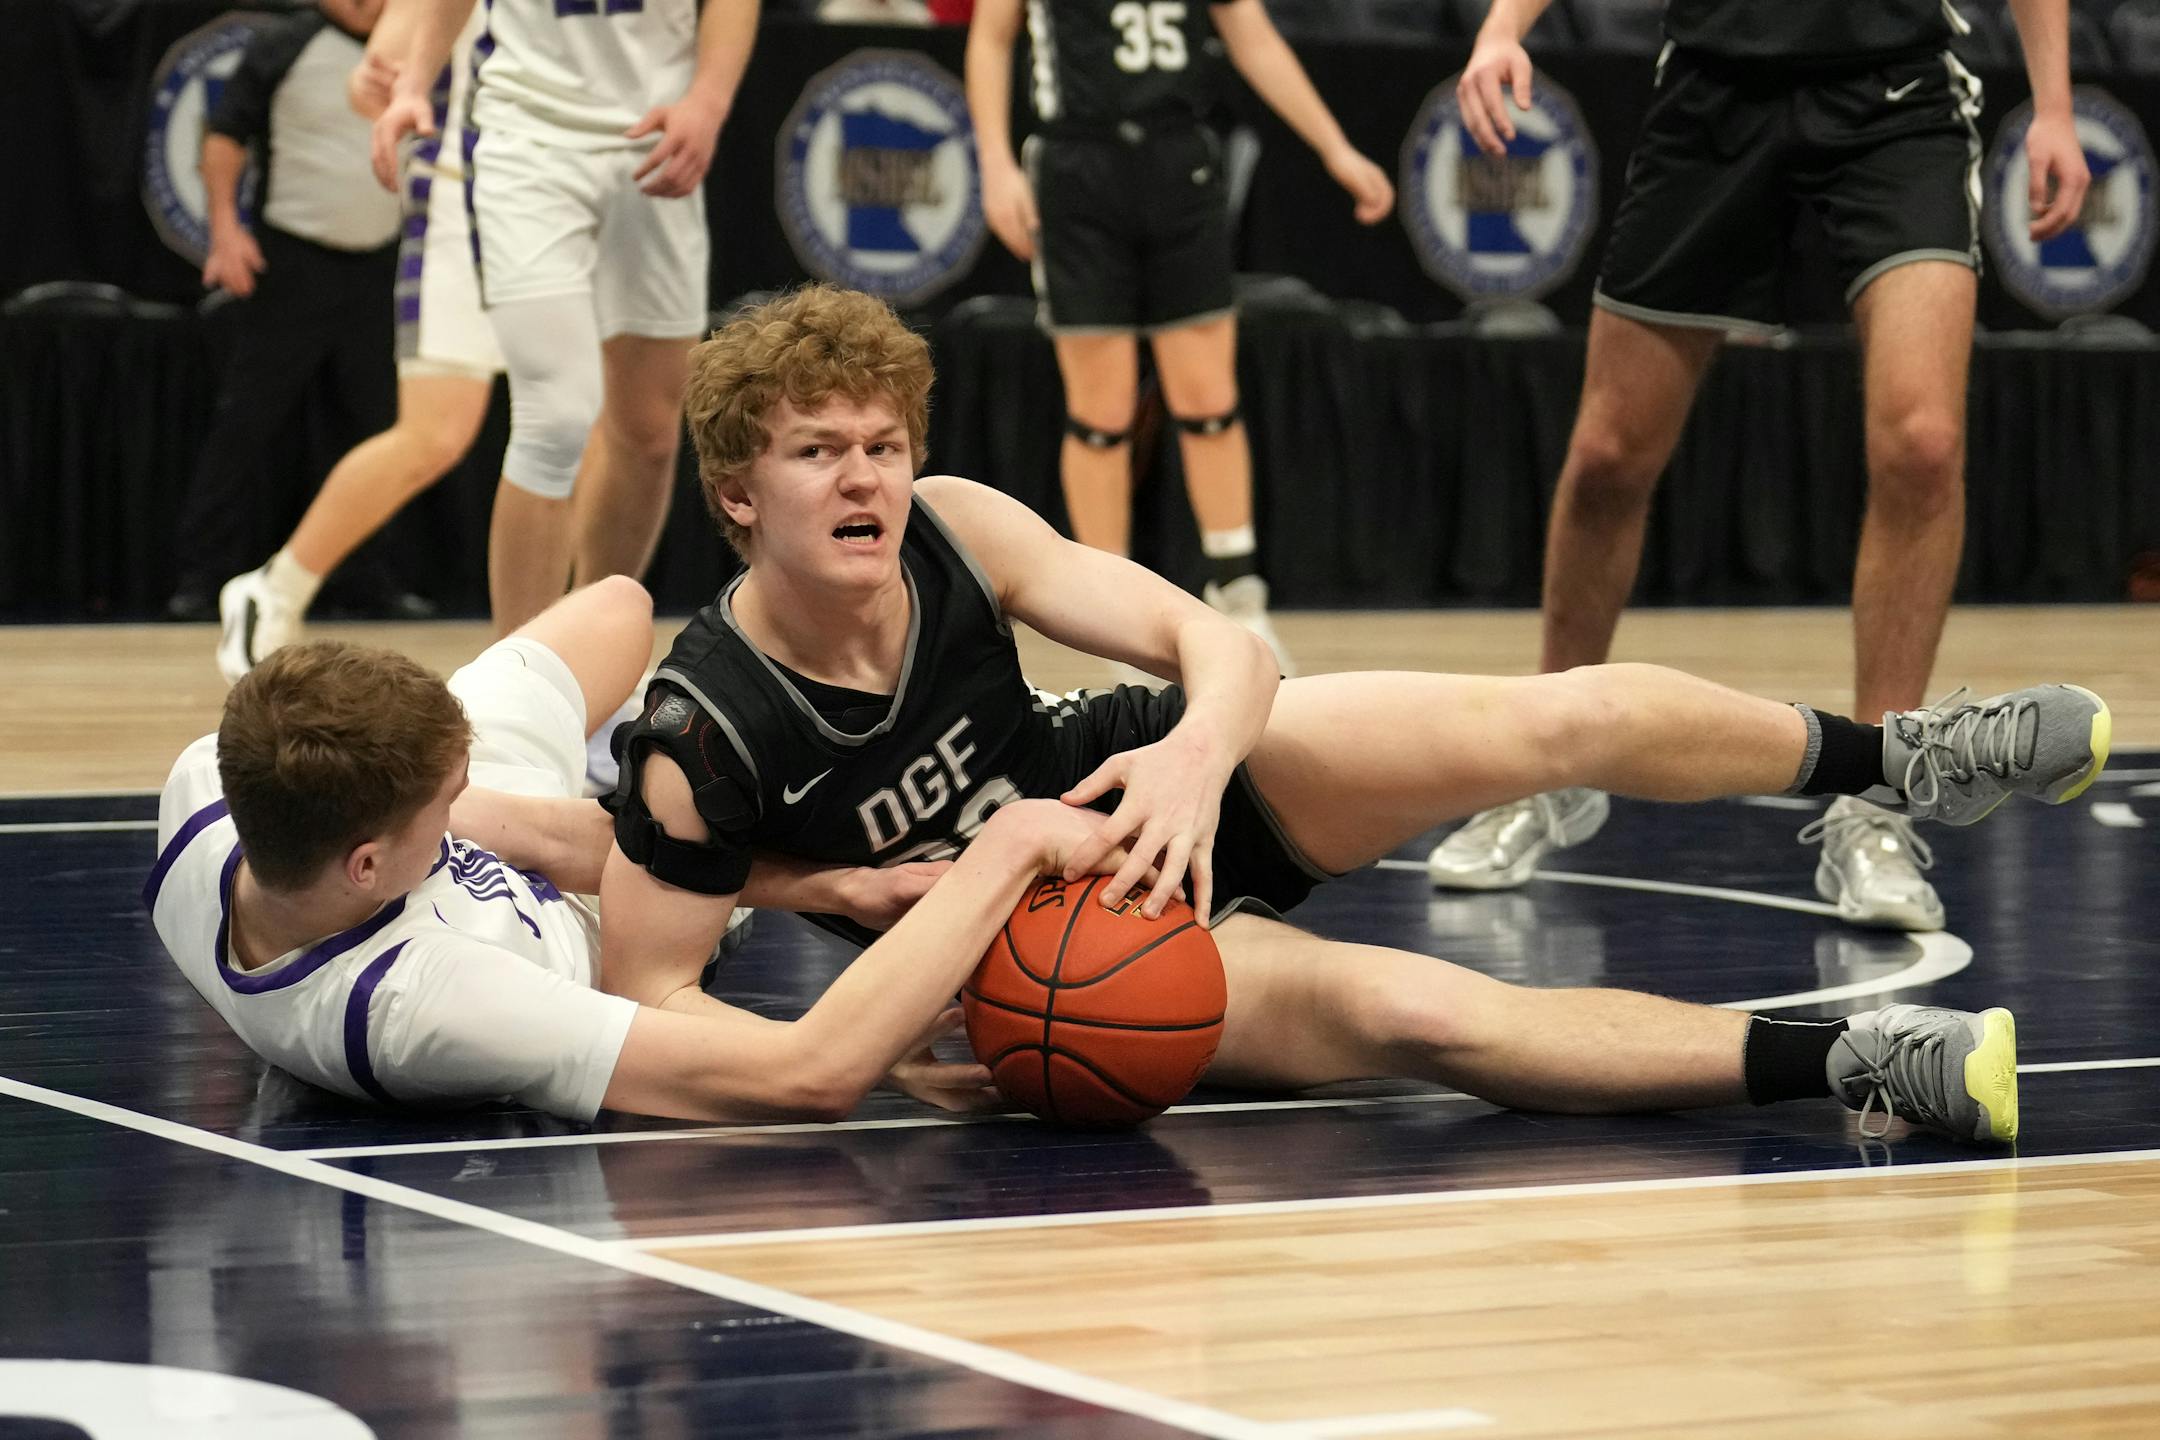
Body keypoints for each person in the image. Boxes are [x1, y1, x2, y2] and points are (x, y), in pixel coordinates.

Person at [594, 285, 2115, 1143]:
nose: (864, 478)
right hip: (1068, 947)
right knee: (1421, 1014)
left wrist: (1193, 758)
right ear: (736, 492)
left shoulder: (959, 526)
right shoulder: (705, 732)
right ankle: (1857, 1067)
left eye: (881, 444)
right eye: (817, 454)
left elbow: (1216, 641)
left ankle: (1902, 756)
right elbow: (658, 1004)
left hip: (1149, 786)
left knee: (1548, 719)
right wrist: (893, 1006)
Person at [1426, 0, 2092, 932]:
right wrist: (1502, 28)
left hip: (1895, 96)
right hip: (1713, 94)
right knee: (1609, 457)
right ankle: (1545, 769)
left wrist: (2054, 105)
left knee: (1924, 442)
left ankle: (1878, 795)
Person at [149, 574, 1110, 1121]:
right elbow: (807, 1077)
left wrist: (832, 886)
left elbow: (527, 830)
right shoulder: (431, 1002)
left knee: (615, 603)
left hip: (519, 846)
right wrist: (1011, 844)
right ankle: (673, 759)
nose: (456, 809)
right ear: (367, 864)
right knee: (654, 806)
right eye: (441, 803)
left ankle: (649, 751)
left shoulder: (217, 782)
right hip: (604, 929)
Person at [965, 0, 1394, 675]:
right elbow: (991, 37)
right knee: (1099, 413)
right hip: (1077, 162)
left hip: (1178, 159)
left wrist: (1333, 147)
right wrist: (993, 162)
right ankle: (1110, 620)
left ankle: (1241, 598)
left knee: (1209, 400)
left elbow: (1253, 39)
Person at [370, 0, 758, 633]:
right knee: (556, 417)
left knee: (650, 431)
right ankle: (519, 678)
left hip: (653, 136)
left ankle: (592, 646)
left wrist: (707, 104)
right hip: (529, 138)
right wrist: (414, 82)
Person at [214, 0, 510, 682]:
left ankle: (560, 647)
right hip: (463, 199)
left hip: (589, 192)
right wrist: (387, 81)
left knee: (589, 427)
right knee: (436, 432)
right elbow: (370, 73)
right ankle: (275, 586)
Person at [169, 0, 407, 624]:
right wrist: (225, 229)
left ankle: (364, 581)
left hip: (383, 267)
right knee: (248, 419)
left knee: (377, 428)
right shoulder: (285, 45)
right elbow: (225, 134)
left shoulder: (415, 39)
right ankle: (205, 576)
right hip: (292, 263)